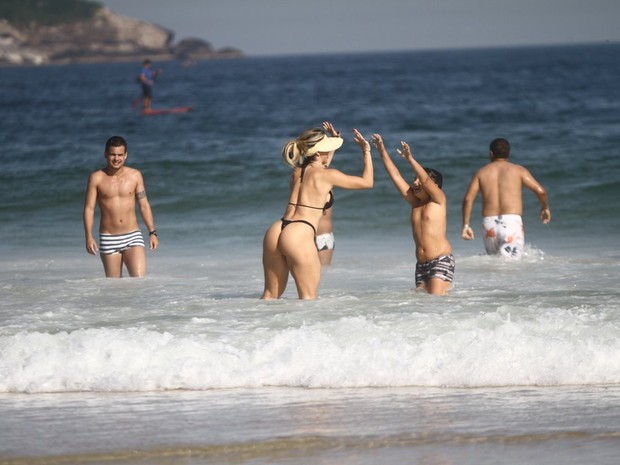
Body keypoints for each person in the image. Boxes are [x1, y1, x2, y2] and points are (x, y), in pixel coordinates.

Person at [261, 127, 374, 300]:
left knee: (270, 295)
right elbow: (367, 182)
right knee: (308, 298)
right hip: (299, 233)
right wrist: (366, 151)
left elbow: (320, 167)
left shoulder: (297, 172)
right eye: (327, 149)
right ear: (319, 152)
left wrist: (331, 148)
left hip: (277, 229)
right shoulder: (328, 175)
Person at [373, 134, 454, 295]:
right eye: (414, 179)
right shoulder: (415, 203)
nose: (415, 182)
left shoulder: (438, 200)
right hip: (421, 265)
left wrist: (410, 158)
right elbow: (395, 175)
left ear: (434, 186)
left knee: (436, 302)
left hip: (440, 260)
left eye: (418, 180)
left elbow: (425, 180)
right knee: (422, 307)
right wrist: (382, 149)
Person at [461, 138, 551, 260]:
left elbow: (468, 199)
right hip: (511, 223)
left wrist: (466, 225)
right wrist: (544, 207)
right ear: (509, 153)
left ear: (491, 153)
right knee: (511, 267)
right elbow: (541, 192)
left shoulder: (481, 173)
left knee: (495, 265)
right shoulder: (519, 171)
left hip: (489, 224)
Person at [83, 136, 159, 278]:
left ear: (125, 155)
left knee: (139, 282)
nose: (116, 158)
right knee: (115, 288)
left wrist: (152, 232)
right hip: (109, 238)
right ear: (105, 154)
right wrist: (88, 236)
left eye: (119, 155)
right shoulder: (96, 178)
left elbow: (143, 205)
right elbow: (89, 209)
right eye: (112, 154)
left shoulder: (135, 175)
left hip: (133, 236)